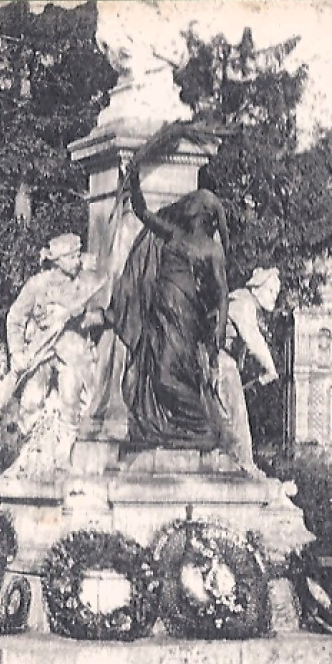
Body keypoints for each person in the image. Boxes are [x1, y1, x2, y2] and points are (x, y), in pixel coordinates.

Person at [105, 152, 230, 450]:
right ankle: (174, 428)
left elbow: (222, 290)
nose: (189, 210)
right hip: (160, 313)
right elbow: (143, 213)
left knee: (166, 375)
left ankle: (201, 427)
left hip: (186, 316)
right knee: (156, 372)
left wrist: (221, 325)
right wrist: (133, 179)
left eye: (195, 208)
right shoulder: (174, 234)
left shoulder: (212, 249)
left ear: (205, 216)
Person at [0, 234, 105, 479]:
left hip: (73, 351)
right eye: (71, 257)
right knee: (31, 401)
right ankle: (34, 456)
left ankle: (63, 455)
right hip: (40, 352)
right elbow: (16, 317)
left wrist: (79, 318)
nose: (76, 261)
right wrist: (17, 353)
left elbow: (102, 317)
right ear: (58, 260)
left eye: (77, 255)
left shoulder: (87, 283)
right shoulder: (38, 284)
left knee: (71, 395)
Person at [215, 267, 282, 473]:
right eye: (271, 291)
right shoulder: (243, 303)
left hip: (223, 361)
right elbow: (253, 339)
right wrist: (271, 368)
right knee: (237, 414)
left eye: (276, 293)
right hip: (220, 361)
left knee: (227, 415)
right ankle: (244, 464)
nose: (274, 298)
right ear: (258, 287)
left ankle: (235, 462)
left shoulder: (244, 302)